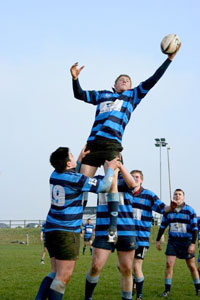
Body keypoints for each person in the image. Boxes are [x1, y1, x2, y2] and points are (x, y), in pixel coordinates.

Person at [70, 43, 181, 240]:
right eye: (121, 80)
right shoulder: (103, 95)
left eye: (128, 80)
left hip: (112, 144)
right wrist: (75, 79)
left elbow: (153, 79)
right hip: (93, 144)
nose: (125, 81)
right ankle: (76, 219)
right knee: (82, 182)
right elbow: (79, 94)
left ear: (130, 87)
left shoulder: (132, 96)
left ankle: (113, 225)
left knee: (112, 182)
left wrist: (169, 59)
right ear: (114, 85)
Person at [35, 146, 120, 300]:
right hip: (66, 232)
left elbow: (73, 176)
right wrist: (111, 169)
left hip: (51, 229)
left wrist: (80, 160)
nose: (74, 157)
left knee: (54, 272)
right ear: (68, 164)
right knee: (63, 277)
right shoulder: (75, 179)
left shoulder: (54, 175)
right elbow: (104, 186)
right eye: (72, 156)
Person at [84, 163, 140, 300]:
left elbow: (133, 184)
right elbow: (83, 179)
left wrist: (120, 167)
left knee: (126, 268)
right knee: (96, 266)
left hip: (125, 230)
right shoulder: (99, 179)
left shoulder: (126, 178)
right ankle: (88, 297)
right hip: (104, 229)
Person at [130, 170, 175, 300]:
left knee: (136, 266)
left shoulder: (148, 195)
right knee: (121, 265)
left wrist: (170, 207)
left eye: (137, 177)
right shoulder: (125, 194)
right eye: (132, 177)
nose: (135, 179)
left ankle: (139, 295)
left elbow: (162, 208)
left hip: (141, 238)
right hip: (126, 235)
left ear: (142, 180)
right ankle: (132, 281)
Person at [156, 189, 200, 298]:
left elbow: (195, 229)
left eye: (180, 194)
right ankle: (167, 290)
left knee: (191, 266)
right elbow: (163, 226)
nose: (177, 196)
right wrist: (157, 240)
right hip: (173, 242)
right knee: (169, 264)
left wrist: (192, 244)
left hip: (186, 242)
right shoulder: (169, 211)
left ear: (183, 197)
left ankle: (198, 288)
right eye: (175, 194)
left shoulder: (190, 211)